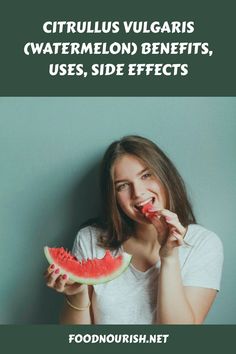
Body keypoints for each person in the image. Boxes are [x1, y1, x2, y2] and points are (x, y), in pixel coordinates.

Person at [44, 135, 223, 324]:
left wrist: (169, 258)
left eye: (146, 175)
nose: (138, 193)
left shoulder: (204, 244)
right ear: (113, 196)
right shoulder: (90, 238)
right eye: (122, 186)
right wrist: (78, 294)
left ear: (165, 176)